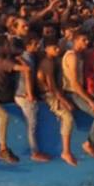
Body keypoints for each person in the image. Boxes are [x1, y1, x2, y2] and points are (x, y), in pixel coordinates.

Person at [62, 33, 94, 158]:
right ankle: (89, 143)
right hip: (73, 93)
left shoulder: (79, 55)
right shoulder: (72, 57)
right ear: (75, 40)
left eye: (87, 40)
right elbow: (74, 84)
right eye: (83, 40)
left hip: (79, 91)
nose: (86, 42)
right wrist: (89, 100)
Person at [37, 37, 78, 166]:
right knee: (68, 118)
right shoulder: (47, 63)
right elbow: (51, 86)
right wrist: (63, 100)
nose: (57, 50)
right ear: (46, 49)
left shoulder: (52, 60)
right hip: (49, 95)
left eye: (58, 47)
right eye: (54, 48)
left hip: (53, 93)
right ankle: (66, 151)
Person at [12, 34, 51, 162]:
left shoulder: (28, 57)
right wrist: (30, 94)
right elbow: (27, 76)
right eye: (35, 44)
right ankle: (35, 152)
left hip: (21, 94)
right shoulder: (27, 58)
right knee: (31, 124)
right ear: (28, 46)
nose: (38, 46)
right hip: (24, 95)